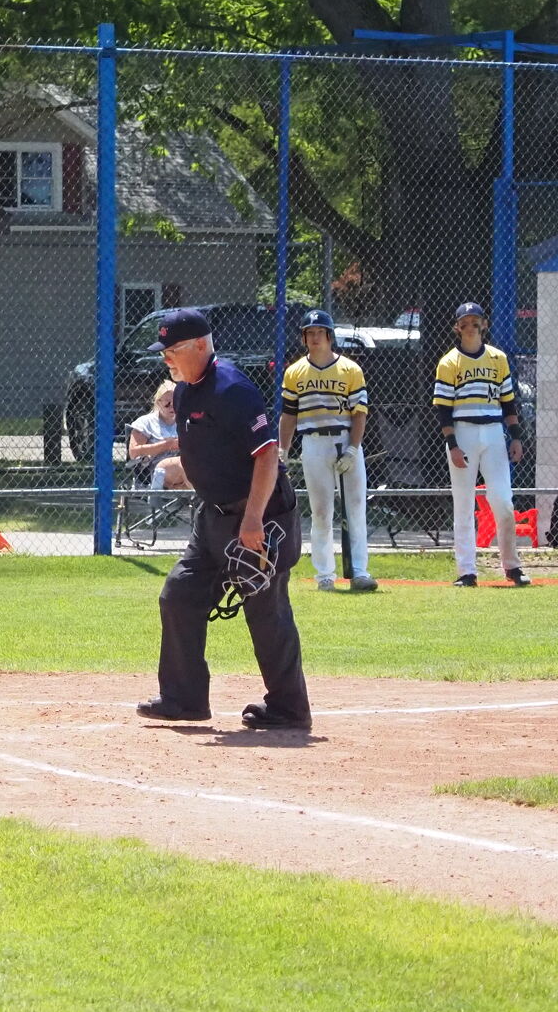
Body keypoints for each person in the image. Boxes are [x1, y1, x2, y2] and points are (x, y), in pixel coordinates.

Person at [136, 308, 311, 730]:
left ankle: (290, 708)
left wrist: (251, 520)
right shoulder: (182, 393)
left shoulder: (231, 387)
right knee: (179, 594)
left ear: (201, 345)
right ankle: (184, 698)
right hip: (212, 518)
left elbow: (268, 454)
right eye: (163, 353)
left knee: (265, 611)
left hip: (261, 516)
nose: (167, 359)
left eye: (173, 350)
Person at [279, 310, 376, 593]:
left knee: (356, 506)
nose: (314, 338)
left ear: (330, 336)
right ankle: (325, 574)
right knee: (321, 510)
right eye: (309, 333)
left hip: (345, 440)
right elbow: (288, 414)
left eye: (319, 332)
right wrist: (282, 449)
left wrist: (353, 449)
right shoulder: (295, 372)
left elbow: (359, 413)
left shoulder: (350, 369)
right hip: (314, 442)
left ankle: (359, 570)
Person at [434, 301, 529, 588]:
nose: (471, 327)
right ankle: (467, 571)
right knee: (463, 504)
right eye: (466, 322)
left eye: (476, 322)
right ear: (457, 327)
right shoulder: (450, 362)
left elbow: (509, 401)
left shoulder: (498, 358)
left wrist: (515, 436)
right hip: (463, 433)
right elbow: (442, 408)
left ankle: (512, 566)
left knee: (502, 500)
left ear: (484, 325)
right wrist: (452, 444)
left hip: (492, 432)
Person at [128, 378, 188, 490]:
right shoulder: (146, 422)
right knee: (185, 464)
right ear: (158, 402)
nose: (172, 407)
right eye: (167, 403)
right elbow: (133, 452)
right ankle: (203, 499)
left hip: (183, 465)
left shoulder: (185, 421)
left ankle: (202, 498)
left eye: (176, 402)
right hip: (154, 470)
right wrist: (167, 445)